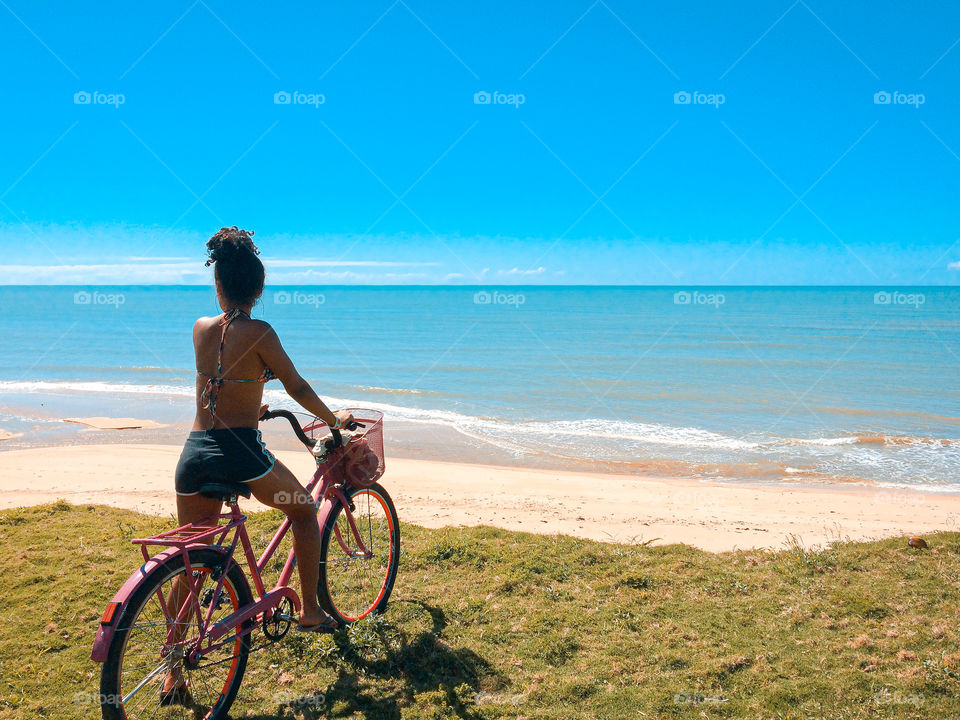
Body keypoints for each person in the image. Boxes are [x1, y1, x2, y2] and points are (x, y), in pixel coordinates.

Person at [163, 227, 351, 703]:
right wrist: (335, 421)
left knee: (189, 562)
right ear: (260, 289)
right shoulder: (262, 332)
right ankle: (309, 611)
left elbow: (224, 377)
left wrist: (252, 401)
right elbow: (298, 387)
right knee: (305, 510)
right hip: (239, 452)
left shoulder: (200, 328)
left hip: (194, 454)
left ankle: (171, 671)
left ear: (219, 286)